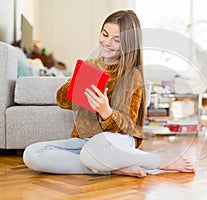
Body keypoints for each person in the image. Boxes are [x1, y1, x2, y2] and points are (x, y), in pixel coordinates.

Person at [23, 10, 195, 178]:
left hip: (117, 140)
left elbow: (128, 125)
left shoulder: (133, 75)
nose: (107, 42)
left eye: (116, 40)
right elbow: (62, 101)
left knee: (91, 153)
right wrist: (75, 86)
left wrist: (106, 111)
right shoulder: (90, 64)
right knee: (32, 154)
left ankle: (159, 160)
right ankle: (113, 168)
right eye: (104, 34)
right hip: (85, 141)